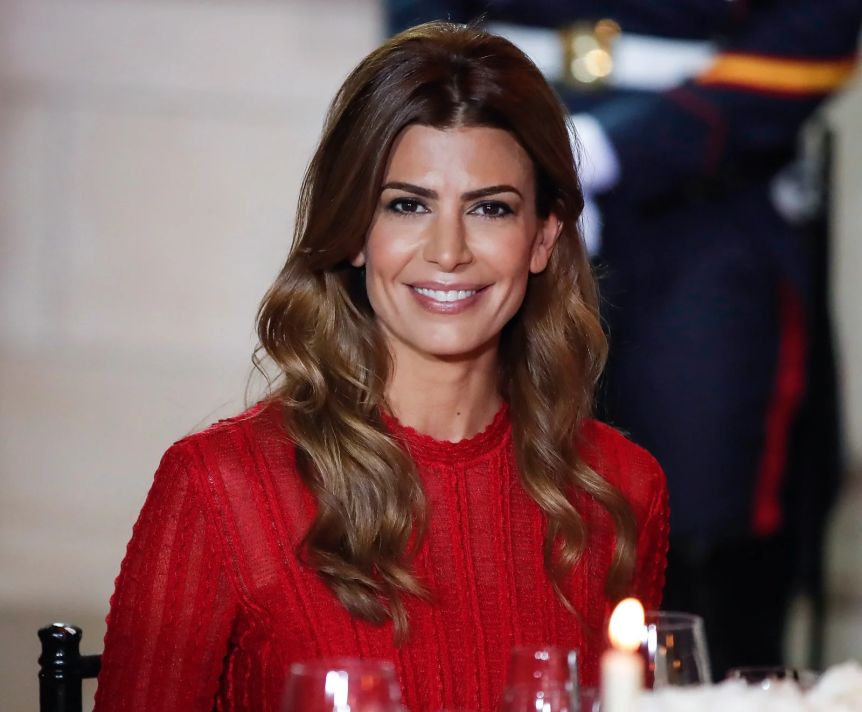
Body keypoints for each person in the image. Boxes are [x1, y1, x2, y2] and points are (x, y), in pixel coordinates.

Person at [93, 22, 668, 712]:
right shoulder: (220, 490)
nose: (448, 251)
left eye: (490, 208)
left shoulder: (620, 490)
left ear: (543, 237)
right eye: (408, 205)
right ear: (356, 232)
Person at [387, 1, 861, 678]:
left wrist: (617, 149)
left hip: (708, 195)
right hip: (486, 156)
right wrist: (481, 130)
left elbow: (814, 21)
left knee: (704, 558)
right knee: (463, 523)